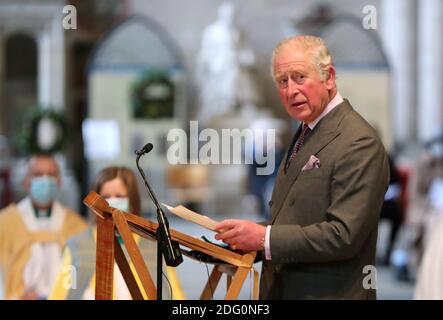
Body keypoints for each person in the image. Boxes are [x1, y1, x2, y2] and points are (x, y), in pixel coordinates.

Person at [215, 35, 390, 299]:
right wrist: (246, 237)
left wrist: (264, 238)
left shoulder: (357, 140)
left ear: (329, 78)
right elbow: (299, 216)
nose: (290, 90)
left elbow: (343, 235)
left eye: (299, 77)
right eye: (282, 81)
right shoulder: (307, 129)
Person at [49, 166, 185, 300]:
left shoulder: (153, 246)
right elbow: (61, 292)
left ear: (132, 200)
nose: (111, 202)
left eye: (119, 196)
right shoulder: (78, 244)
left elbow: (174, 293)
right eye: (105, 196)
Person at [0, 154, 87, 299]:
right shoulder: (5, 223)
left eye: (51, 174)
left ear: (59, 181)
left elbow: (83, 274)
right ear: (25, 181)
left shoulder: (77, 225)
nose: (45, 179)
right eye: (38, 174)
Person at [196, 2, 262, 124]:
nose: (230, 18)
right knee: (231, 71)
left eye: (233, 16)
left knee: (237, 70)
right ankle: (226, 103)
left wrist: (246, 57)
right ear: (221, 15)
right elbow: (206, 52)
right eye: (228, 15)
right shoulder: (211, 31)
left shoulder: (240, 31)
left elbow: (245, 48)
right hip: (218, 65)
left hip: (237, 61)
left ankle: (243, 103)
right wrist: (216, 61)